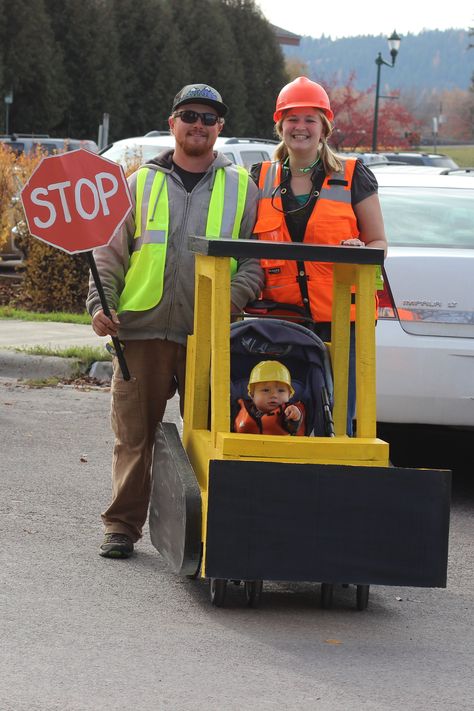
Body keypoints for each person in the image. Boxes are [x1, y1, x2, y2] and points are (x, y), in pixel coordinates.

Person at [87, 83, 263, 558]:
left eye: (209, 118)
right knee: (133, 435)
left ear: (220, 128)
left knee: (209, 434)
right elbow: (109, 254)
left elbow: (255, 264)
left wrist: (232, 300)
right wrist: (98, 305)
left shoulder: (242, 187)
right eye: (189, 115)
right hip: (139, 331)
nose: (198, 125)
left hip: (208, 332)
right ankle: (121, 526)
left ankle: (208, 530)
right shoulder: (138, 182)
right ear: (173, 123)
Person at [250, 76, 388, 434]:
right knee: (279, 420)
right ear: (280, 125)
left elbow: (378, 243)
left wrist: (361, 252)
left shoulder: (355, 176)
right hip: (280, 323)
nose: (300, 128)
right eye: (292, 119)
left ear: (324, 128)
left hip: (343, 321)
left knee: (336, 420)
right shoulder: (259, 178)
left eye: (310, 119)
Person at [234, 360, 305, 436]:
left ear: (289, 395)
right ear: (252, 395)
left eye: (281, 390)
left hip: (279, 447)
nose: (274, 395)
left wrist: (296, 417)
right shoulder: (240, 408)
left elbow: (293, 427)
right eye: (266, 390)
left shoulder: (288, 411)